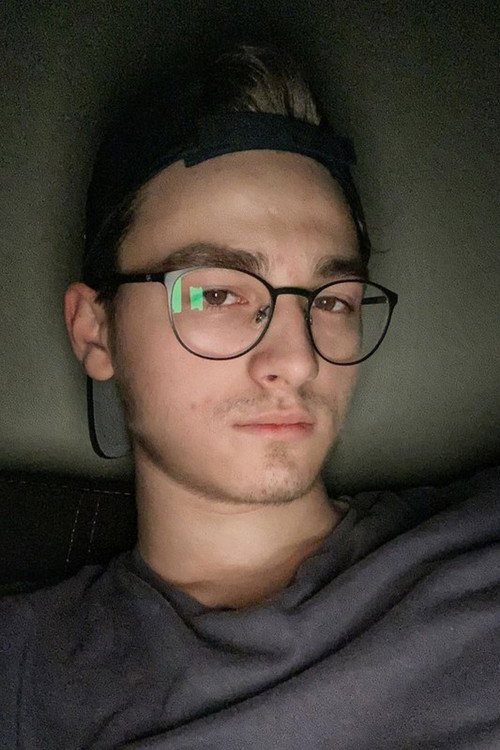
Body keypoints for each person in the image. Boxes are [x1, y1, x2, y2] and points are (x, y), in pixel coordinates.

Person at [1, 42, 498, 750]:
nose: (297, 359)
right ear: (95, 331)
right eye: (216, 293)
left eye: (332, 299)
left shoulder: (480, 552)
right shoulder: (28, 676)